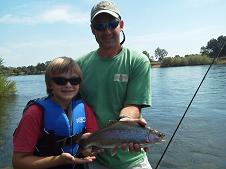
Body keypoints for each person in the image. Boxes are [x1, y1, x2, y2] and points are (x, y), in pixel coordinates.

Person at [76, 1, 152, 169]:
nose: (107, 31)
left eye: (112, 24)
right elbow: (74, 109)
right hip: (94, 159)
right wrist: (83, 144)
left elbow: (133, 104)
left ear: (121, 25)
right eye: (100, 25)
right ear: (92, 29)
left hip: (133, 161)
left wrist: (125, 120)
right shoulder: (79, 65)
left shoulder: (138, 61)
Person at [12, 57, 99, 169]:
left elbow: (93, 148)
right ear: (50, 85)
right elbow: (18, 162)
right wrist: (58, 161)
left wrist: (87, 150)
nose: (68, 85)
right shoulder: (34, 113)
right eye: (61, 81)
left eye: (74, 80)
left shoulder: (84, 109)